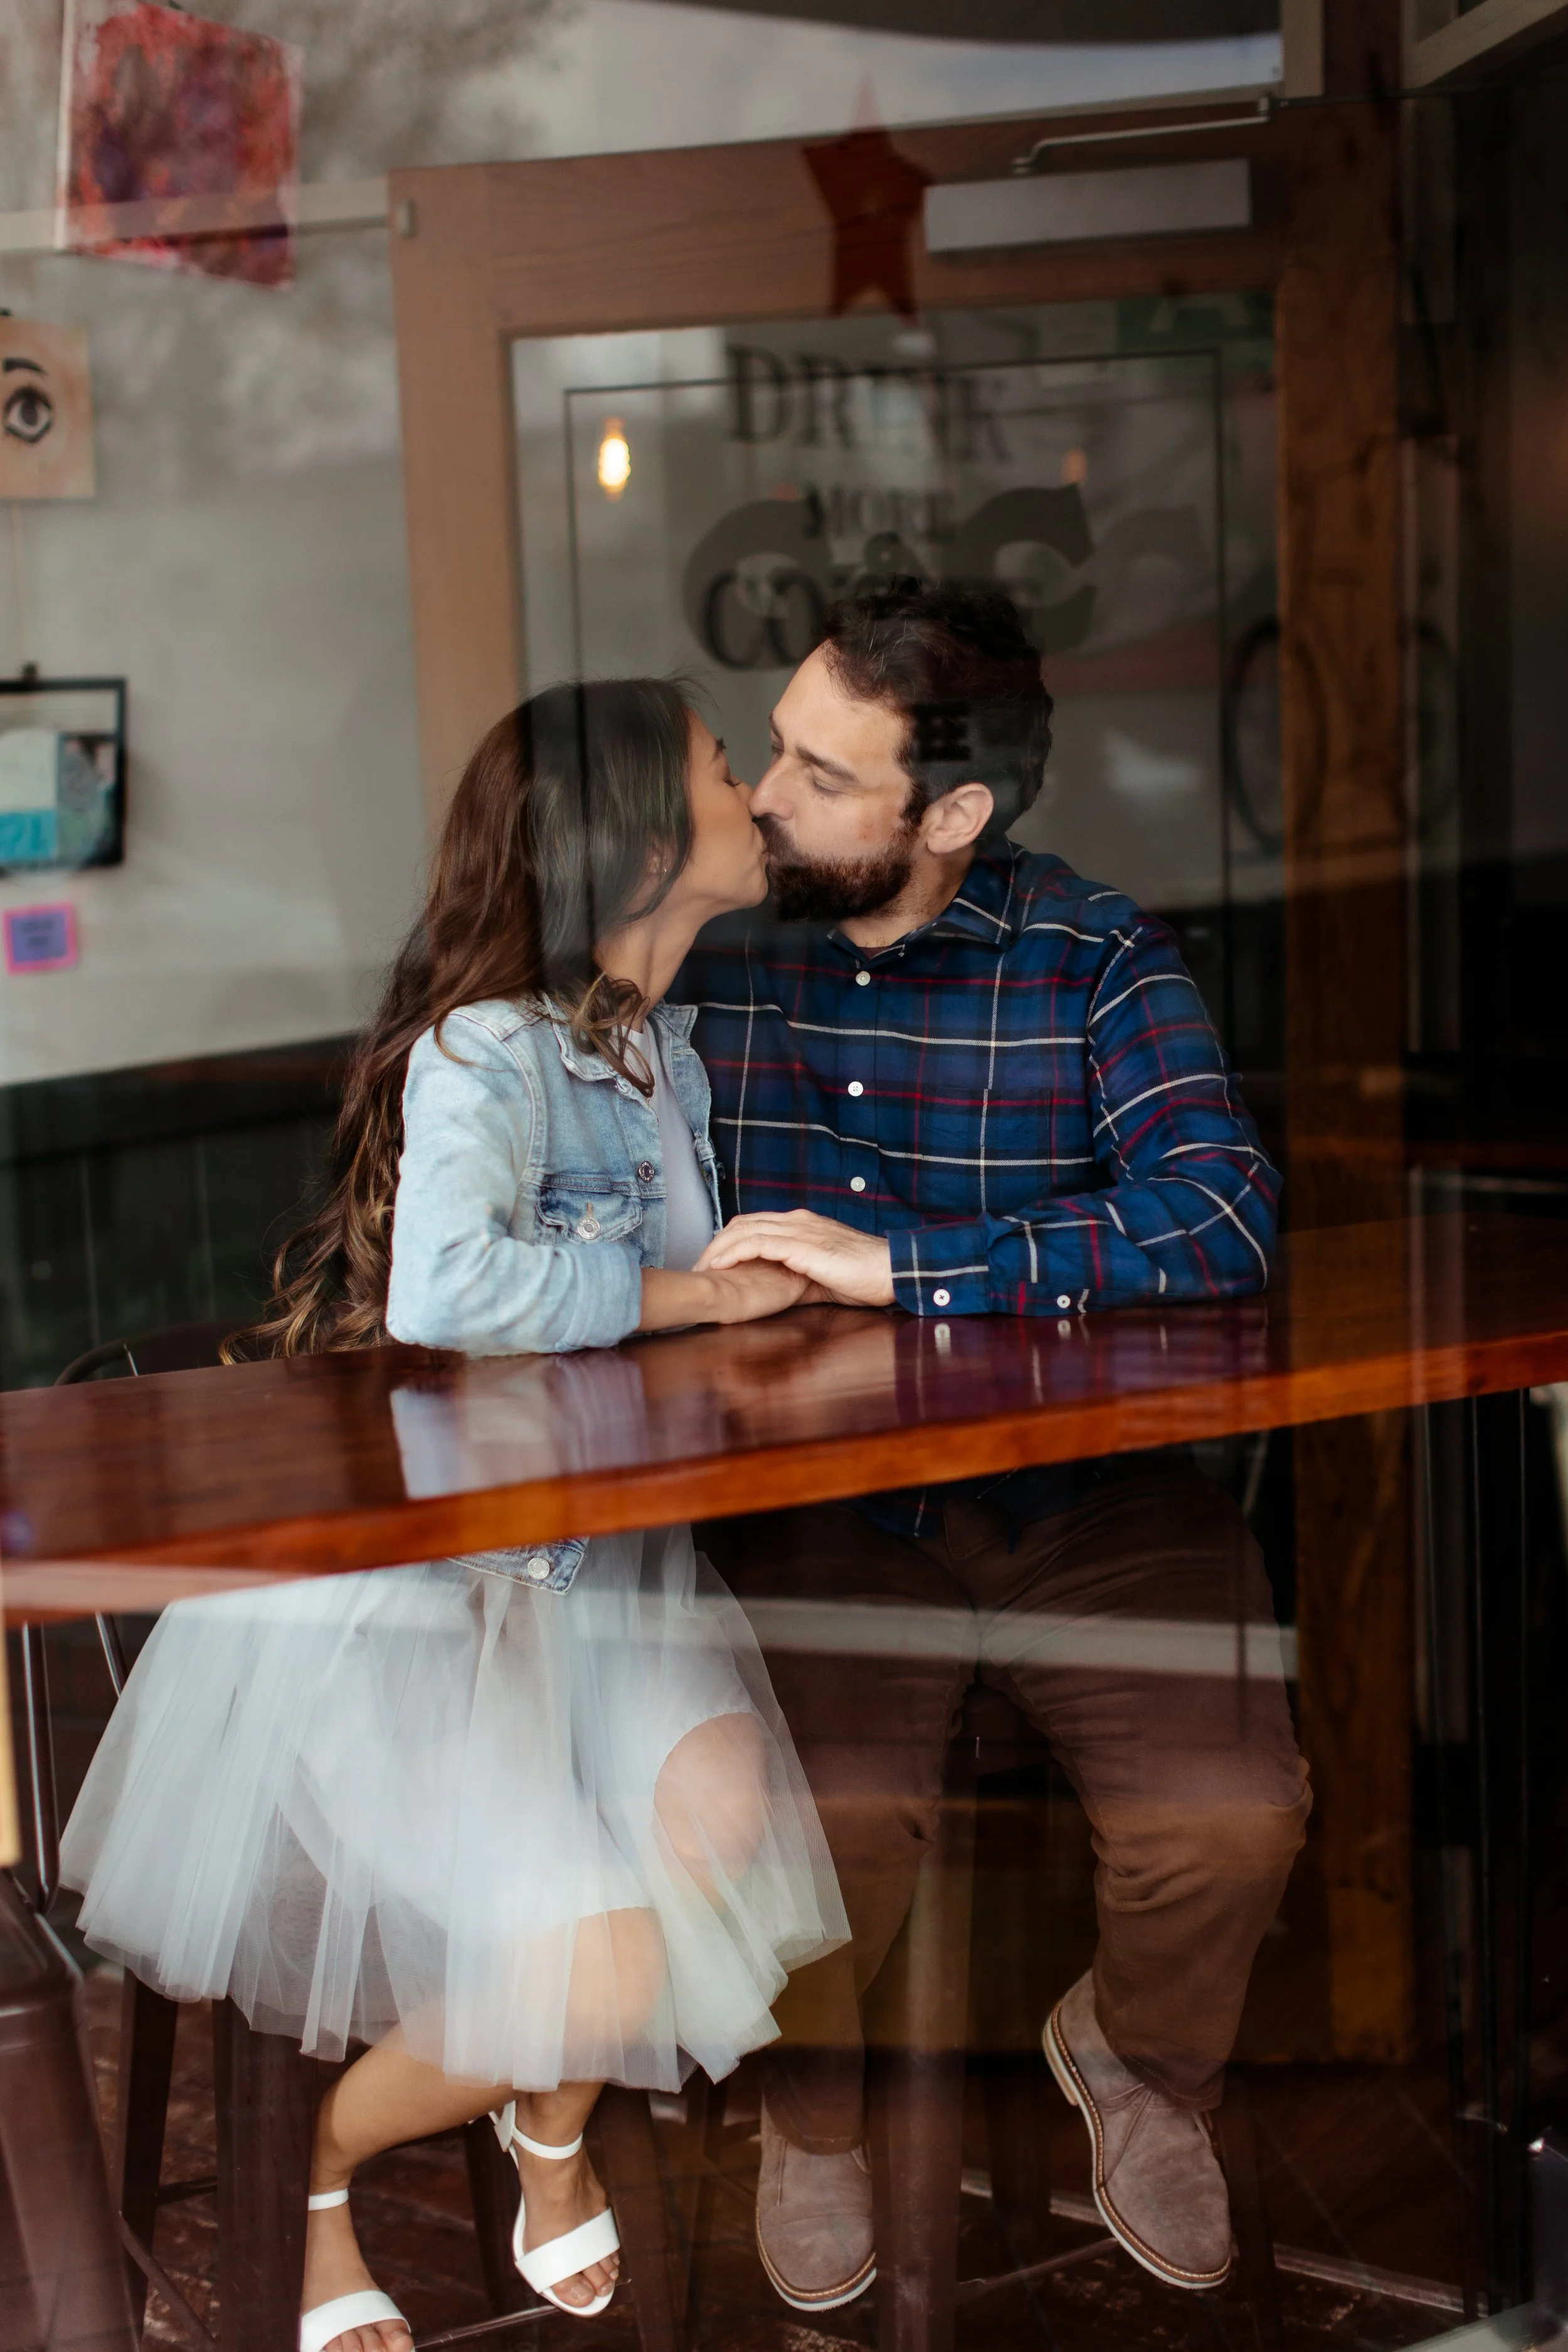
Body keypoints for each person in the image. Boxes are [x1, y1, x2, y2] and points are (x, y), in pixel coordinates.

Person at [60, 680, 848, 2352]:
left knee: (726, 1839)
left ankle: (538, 2122)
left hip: (611, 1582)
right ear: (642, 838)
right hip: (428, 1609)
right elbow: (450, 1279)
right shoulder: (489, 1045)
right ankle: (320, 2173)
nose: (753, 789)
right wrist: (690, 1302)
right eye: (724, 767)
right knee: (612, 1965)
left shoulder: (665, 1057)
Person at [679, 583, 1311, 2312]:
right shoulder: (716, 943)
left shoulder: (1090, 951)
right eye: (777, 745)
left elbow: (1220, 1211)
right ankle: (808, 2120)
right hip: (812, 1509)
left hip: (1085, 1494)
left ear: (951, 814)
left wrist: (905, 1269)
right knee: (826, 1818)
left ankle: (1133, 2060)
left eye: (820, 772)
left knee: (1228, 1815)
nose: (763, 797)